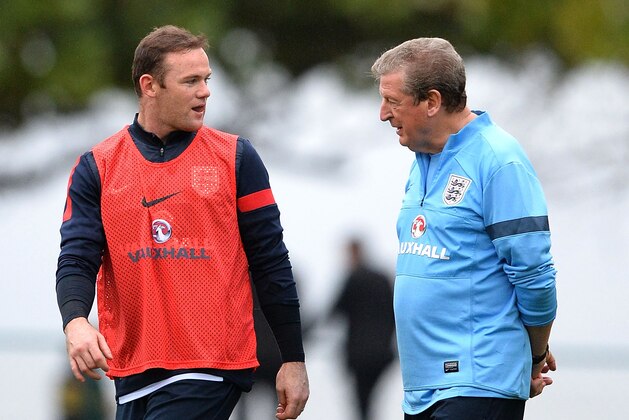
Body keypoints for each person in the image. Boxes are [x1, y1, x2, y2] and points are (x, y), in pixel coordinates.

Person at [55, 25, 309, 420]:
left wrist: (293, 359)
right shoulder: (97, 167)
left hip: (211, 365)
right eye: (190, 81)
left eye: (206, 79)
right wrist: (75, 322)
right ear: (150, 86)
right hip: (132, 371)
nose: (205, 91)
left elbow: (271, 262)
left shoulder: (237, 158)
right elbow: (76, 258)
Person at [371, 38, 557, 419]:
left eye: (393, 101)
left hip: (476, 382)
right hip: (424, 389)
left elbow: (535, 276)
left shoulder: (499, 160)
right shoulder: (423, 160)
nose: (383, 114)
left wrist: (534, 354)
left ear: (432, 101)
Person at [330, 238, 395, 420]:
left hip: (359, 354)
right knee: (370, 401)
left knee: (361, 402)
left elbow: (334, 311)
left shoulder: (353, 278)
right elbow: (394, 312)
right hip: (383, 353)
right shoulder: (382, 278)